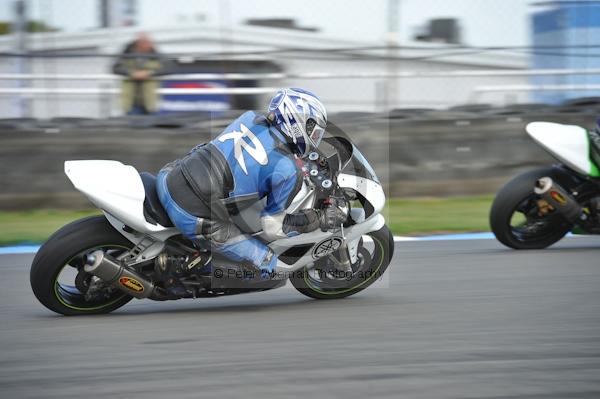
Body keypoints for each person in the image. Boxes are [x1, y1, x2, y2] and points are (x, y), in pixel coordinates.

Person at [156, 88, 331, 279]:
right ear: (298, 121)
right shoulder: (288, 170)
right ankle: (189, 269)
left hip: (170, 177)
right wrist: (317, 219)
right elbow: (273, 229)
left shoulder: (250, 118)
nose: (314, 138)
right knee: (268, 265)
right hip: (190, 213)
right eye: (313, 130)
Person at [112, 33, 164, 115]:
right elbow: (115, 68)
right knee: (132, 125)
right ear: (139, 44)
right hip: (131, 101)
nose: (150, 46)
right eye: (147, 43)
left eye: (150, 43)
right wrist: (132, 74)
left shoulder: (155, 54)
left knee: (152, 126)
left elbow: (168, 68)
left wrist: (149, 73)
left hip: (149, 102)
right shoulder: (126, 54)